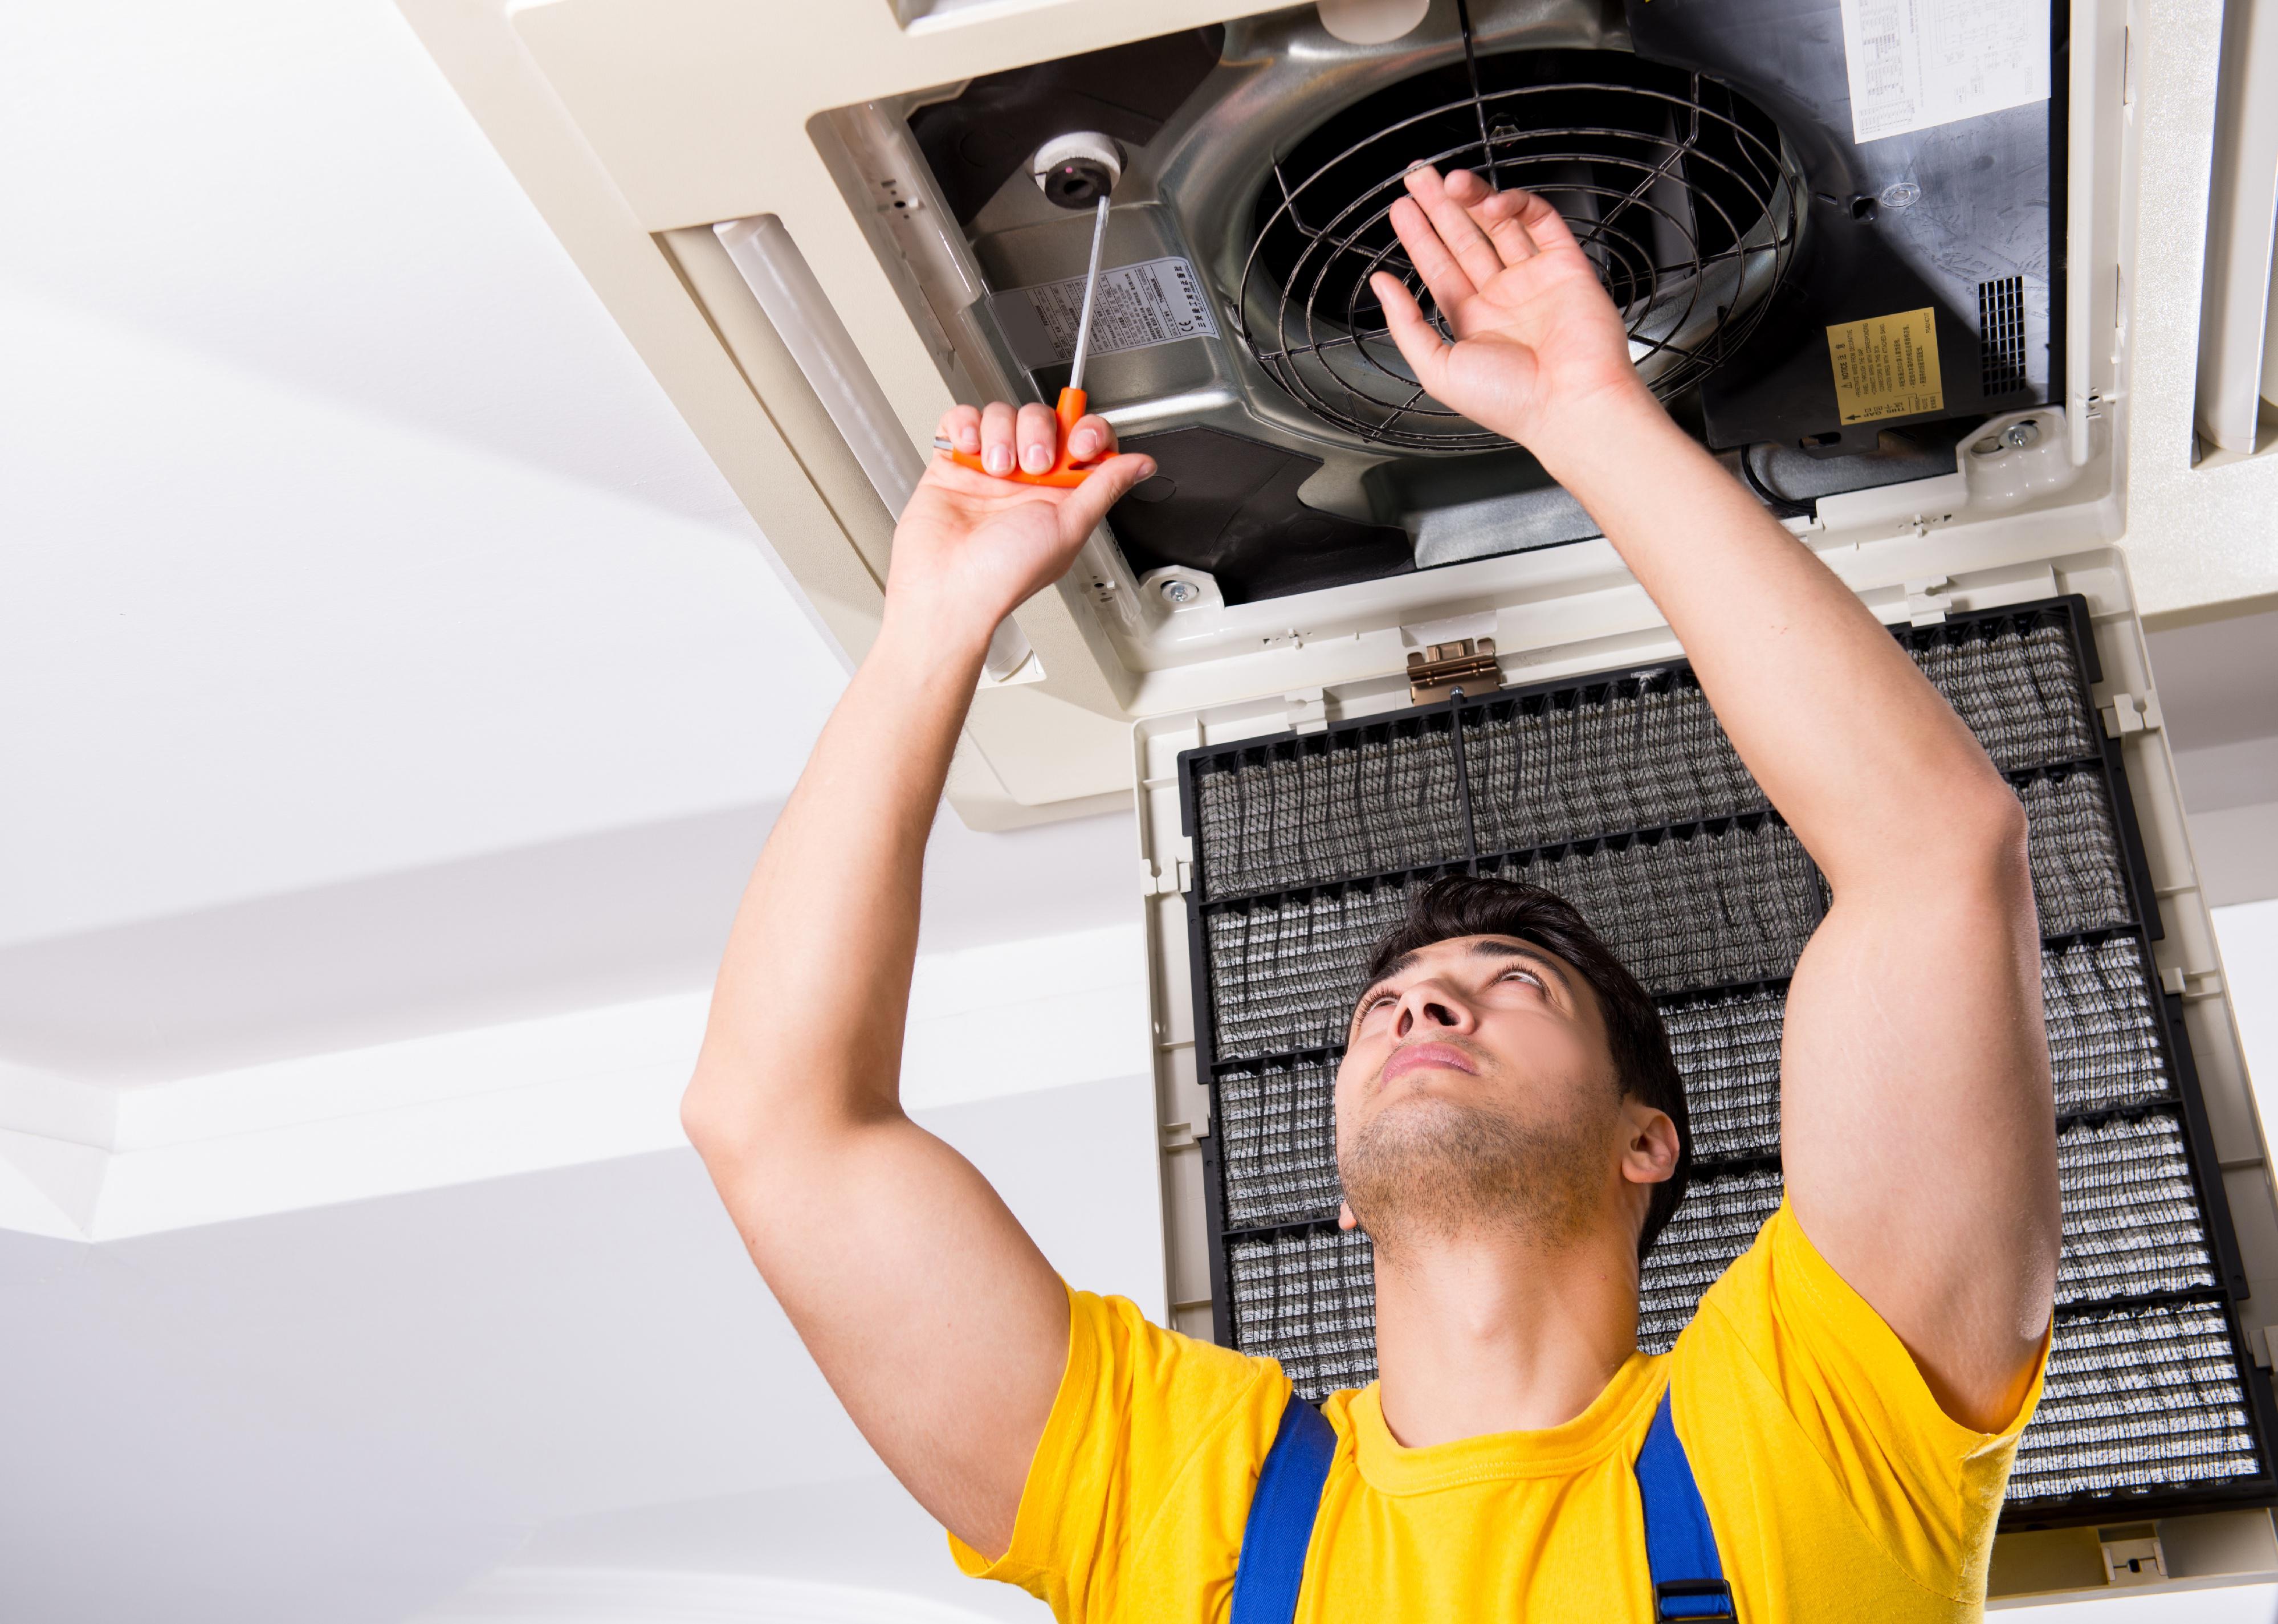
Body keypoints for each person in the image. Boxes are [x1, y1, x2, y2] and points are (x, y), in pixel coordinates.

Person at [681, 166, 2059, 1621]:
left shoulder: (1816, 1433)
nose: (1423, 1004)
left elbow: (1933, 863)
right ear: (1341, 1191)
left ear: (1645, 1143)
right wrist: (931, 629)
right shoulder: (1175, 1489)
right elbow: (774, 1124)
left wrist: (1590, 416)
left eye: (1510, 987)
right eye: (1387, 1006)